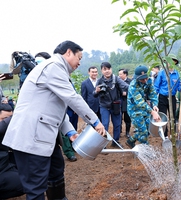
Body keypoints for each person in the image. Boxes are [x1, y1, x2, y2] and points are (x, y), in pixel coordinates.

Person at [2, 40, 106, 200]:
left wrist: (71, 132)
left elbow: (56, 108)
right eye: (79, 57)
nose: (80, 62)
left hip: (43, 136)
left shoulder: (58, 72)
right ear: (68, 52)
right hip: (30, 138)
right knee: (36, 186)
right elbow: (73, 98)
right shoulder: (53, 67)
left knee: (56, 169)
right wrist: (96, 121)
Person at [94, 62, 129, 148]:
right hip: (104, 106)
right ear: (101, 71)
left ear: (111, 69)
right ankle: (103, 144)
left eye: (108, 69)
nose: (107, 71)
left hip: (116, 105)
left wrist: (133, 87)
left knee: (117, 124)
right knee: (104, 125)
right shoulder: (99, 81)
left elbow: (125, 86)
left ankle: (115, 142)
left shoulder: (116, 79)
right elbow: (94, 94)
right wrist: (96, 91)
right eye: (105, 69)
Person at [126, 65, 160, 148]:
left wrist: (155, 105)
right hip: (134, 110)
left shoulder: (148, 81)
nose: (145, 80)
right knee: (143, 132)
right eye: (142, 79)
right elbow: (140, 103)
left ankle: (130, 141)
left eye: (146, 78)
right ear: (137, 78)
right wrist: (152, 112)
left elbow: (153, 94)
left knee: (148, 129)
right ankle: (146, 150)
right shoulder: (133, 86)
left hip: (145, 109)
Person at [154, 55, 181, 138]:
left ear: (175, 63)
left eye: (172, 61)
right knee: (163, 116)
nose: (170, 63)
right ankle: (165, 134)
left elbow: (178, 87)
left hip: (172, 97)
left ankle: (173, 134)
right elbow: (156, 86)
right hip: (163, 97)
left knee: (173, 116)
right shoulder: (162, 73)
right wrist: (153, 99)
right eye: (168, 61)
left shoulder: (177, 74)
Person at [0, 103, 24, 199]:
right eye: (4, 119)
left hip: (5, 165)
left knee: (29, 172)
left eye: (9, 119)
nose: (7, 123)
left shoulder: (7, 132)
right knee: (25, 183)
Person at [118, 68, 132, 138]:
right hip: (119, 102)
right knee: (118, 118)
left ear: (125, 74)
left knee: (128, 119)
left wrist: (126, 94)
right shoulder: (117, 81)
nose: (119, 75)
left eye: (120, 74)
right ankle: (119, 132)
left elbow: (133, 91)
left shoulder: (131, 81)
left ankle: (127, 132)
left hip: (127, 103)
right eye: (119, 74)